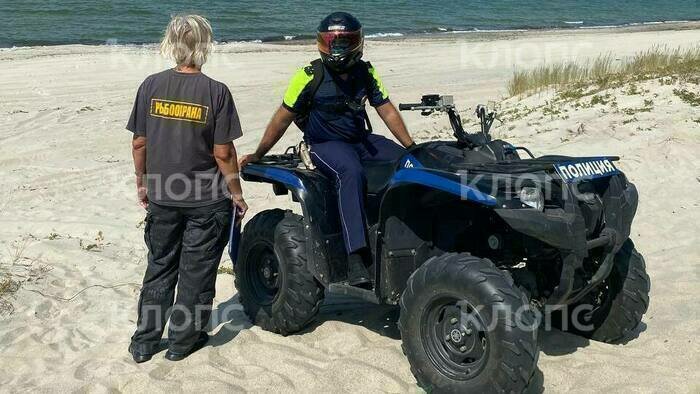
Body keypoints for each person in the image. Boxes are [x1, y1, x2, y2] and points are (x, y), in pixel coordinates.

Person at [239, 12, 415, 286]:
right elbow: (282, 118)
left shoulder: (366, 71)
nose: (338, 47)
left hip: (361, 140)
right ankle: (355, 255)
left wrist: (412, 147)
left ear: (358, 42)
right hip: (323, 145)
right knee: (350, 171)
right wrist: (258, 154)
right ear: (322, 43)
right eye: (332, 41)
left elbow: (387, 111)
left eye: (345, 41)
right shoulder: (309, 75)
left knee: (409, 163)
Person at [126, 15, 248, 363]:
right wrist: (237, 194)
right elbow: (223, 152)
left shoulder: (150, 85)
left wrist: (142, 180)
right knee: (196, 271)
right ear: (204, 45)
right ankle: (182, 341)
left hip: (164, 193)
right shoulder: (216, 91)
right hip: (206, 200)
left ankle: (145, 342)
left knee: (160, 266)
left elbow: (139, 143)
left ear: (171, 44)